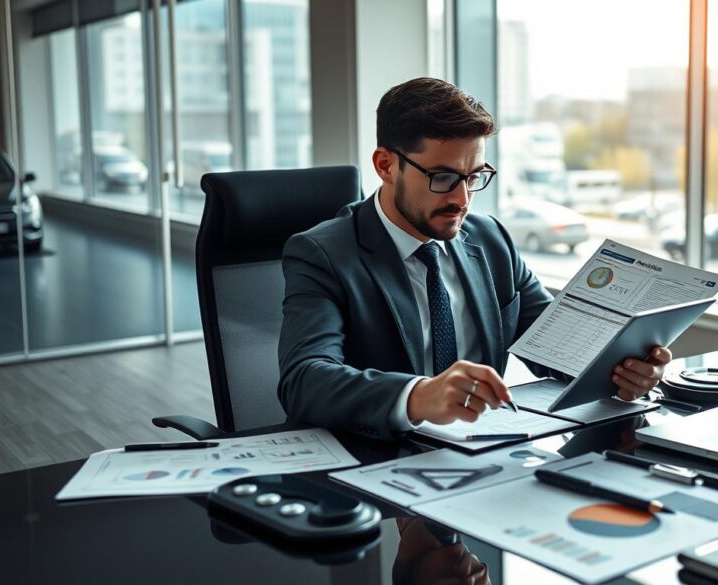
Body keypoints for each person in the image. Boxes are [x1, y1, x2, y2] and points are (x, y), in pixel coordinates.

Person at [277, 77, 671, 440]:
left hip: (486, 451)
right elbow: (304, 380)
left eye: (474, 177)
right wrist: (419, 396)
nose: (462, 200)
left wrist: (622, 371)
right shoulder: (323, 254)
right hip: (378, 461)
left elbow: (554, 347)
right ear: (386, 165)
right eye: (443, 177)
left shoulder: (491, 239)